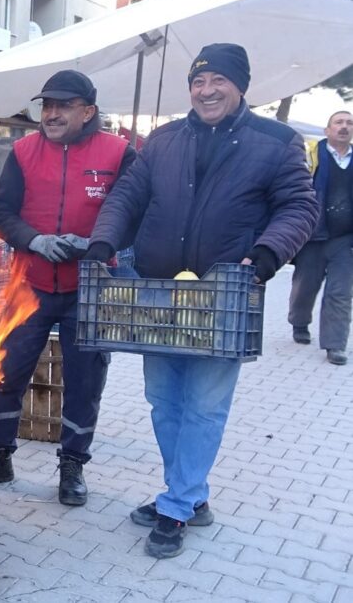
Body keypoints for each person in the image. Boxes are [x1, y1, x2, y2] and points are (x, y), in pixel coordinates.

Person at [85, 43, 319, 558]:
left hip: (224, 296)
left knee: (204, 406)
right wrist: (104, 240)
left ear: (240, 85)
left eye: (218, 81)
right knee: (164, 401)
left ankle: (176, 505)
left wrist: (264, 256)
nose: (206, 91)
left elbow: (300, 207)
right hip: (158, 295)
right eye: (198, 82)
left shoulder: (276, 142)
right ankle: (190, 495)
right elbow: (128, 196)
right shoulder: (164, 140)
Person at [0, 69, 135, 507]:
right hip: (29, 283)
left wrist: (97, 244)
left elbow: (133, 214)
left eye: (62, 105)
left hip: (88, 286)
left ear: (88, 111)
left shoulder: (119, 153)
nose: (50, 113)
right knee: (7, 373)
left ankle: (73, 466)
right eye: (46, 105)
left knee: (85, 381)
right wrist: (34, 240)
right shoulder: (23, 150)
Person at [288, 110, 353, 365]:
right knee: (305, 286)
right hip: (312, 235)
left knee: (340, 292)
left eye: (349, 123)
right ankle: (299, 322)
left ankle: (335, 345)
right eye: (339, 122)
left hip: (345, 239)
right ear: (327, 130)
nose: (344, 127)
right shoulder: (311, 155)